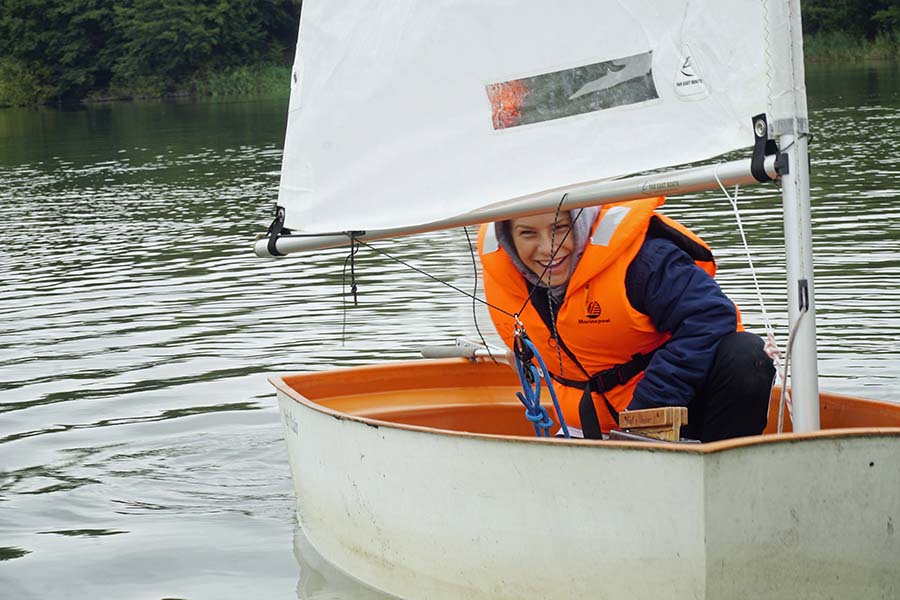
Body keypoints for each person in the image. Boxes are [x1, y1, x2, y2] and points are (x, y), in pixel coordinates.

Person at [477, 196, 775, 442]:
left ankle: (720, 472)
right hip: (584, 423)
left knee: (746, 355)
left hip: (676, 406)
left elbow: (710, 316)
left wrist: (647, 413)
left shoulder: (645, 260)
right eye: (528, 233)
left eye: (561, 228)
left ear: (580, 223)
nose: (548, 248)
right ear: (508, 238)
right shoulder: (506, 275)